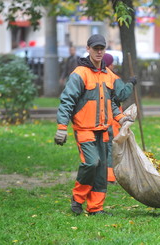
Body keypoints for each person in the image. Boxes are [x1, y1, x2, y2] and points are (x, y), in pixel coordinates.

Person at [54, 34, 133, 216]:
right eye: (95, 48)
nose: (99, 51)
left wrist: (120, 117)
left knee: (101, 170)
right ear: (88, 49)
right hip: (84, 128)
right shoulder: (80, 74)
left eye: (101, 48)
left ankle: (96, 208)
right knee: (91, 163)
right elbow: (67, 101)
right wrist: (61, 127)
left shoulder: (108, 75)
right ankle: (78, 197)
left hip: (103, 130)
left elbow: (111, 101)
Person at [102, 53, 136, 183]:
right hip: (112, 118)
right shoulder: (112, 77)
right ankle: (110, 177)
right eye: (111, 62)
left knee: (104, 147)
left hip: (101, 117)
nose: (113, 65)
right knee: (112, 147)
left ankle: (102, 174)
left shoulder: (99, 76)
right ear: (109, 64)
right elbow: (122, 95)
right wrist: (131, 84)